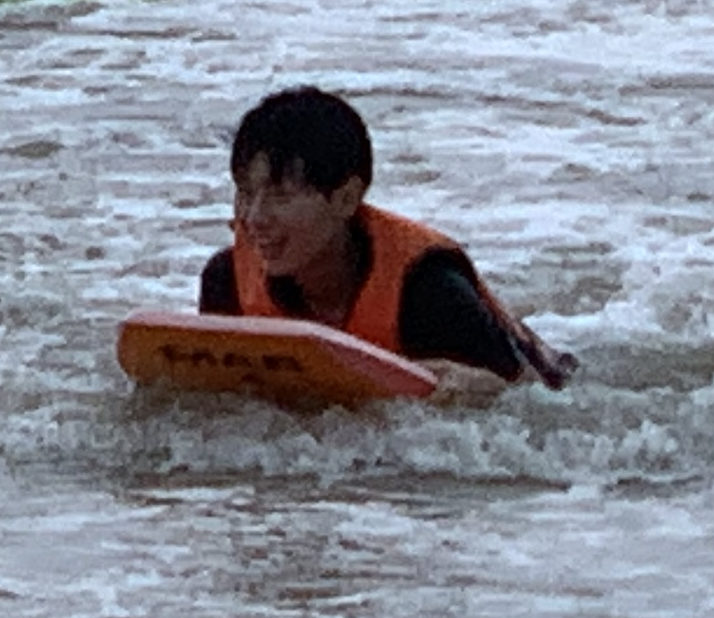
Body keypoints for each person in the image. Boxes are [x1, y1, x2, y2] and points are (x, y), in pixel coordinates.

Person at [196, 85, 568, 394]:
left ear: (345, 199)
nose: (253, 217)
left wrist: (472, 389)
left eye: (280, 196)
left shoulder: (430, 291)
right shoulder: (225, 282)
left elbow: (530, 401)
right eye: (245, 193)